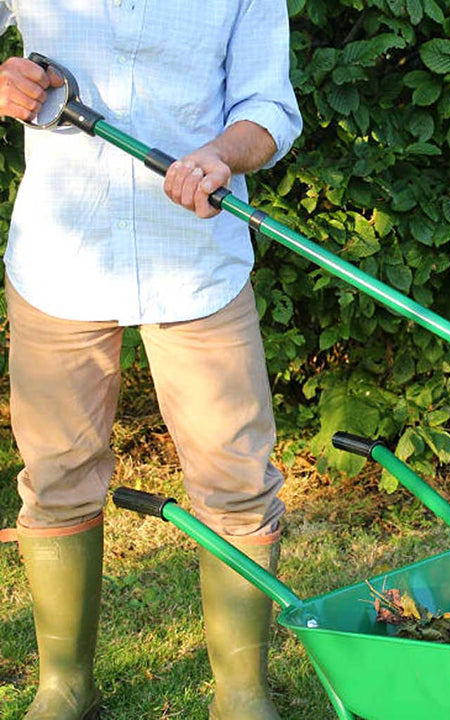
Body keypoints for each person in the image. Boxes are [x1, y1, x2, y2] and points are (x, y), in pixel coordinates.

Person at [0, 2, 302, 719]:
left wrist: (224, 155)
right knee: (57, 476)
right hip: (60, 257)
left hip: (196, 257)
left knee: (237, 481)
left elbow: (267, 105)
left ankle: (241, 696)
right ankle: (65, 688)